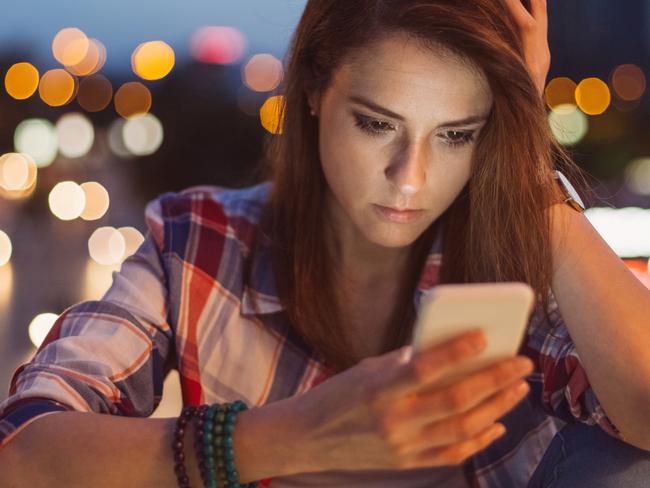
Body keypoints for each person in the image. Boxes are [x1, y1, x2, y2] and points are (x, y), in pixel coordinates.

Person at [1, 0, 650, 486]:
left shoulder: (520, 272)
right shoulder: (199, 241)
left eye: (456, 135)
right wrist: (288, 436)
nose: (411, 178)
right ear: (312, 90)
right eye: (375, 124)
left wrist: (528, 159)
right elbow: (22, 452)